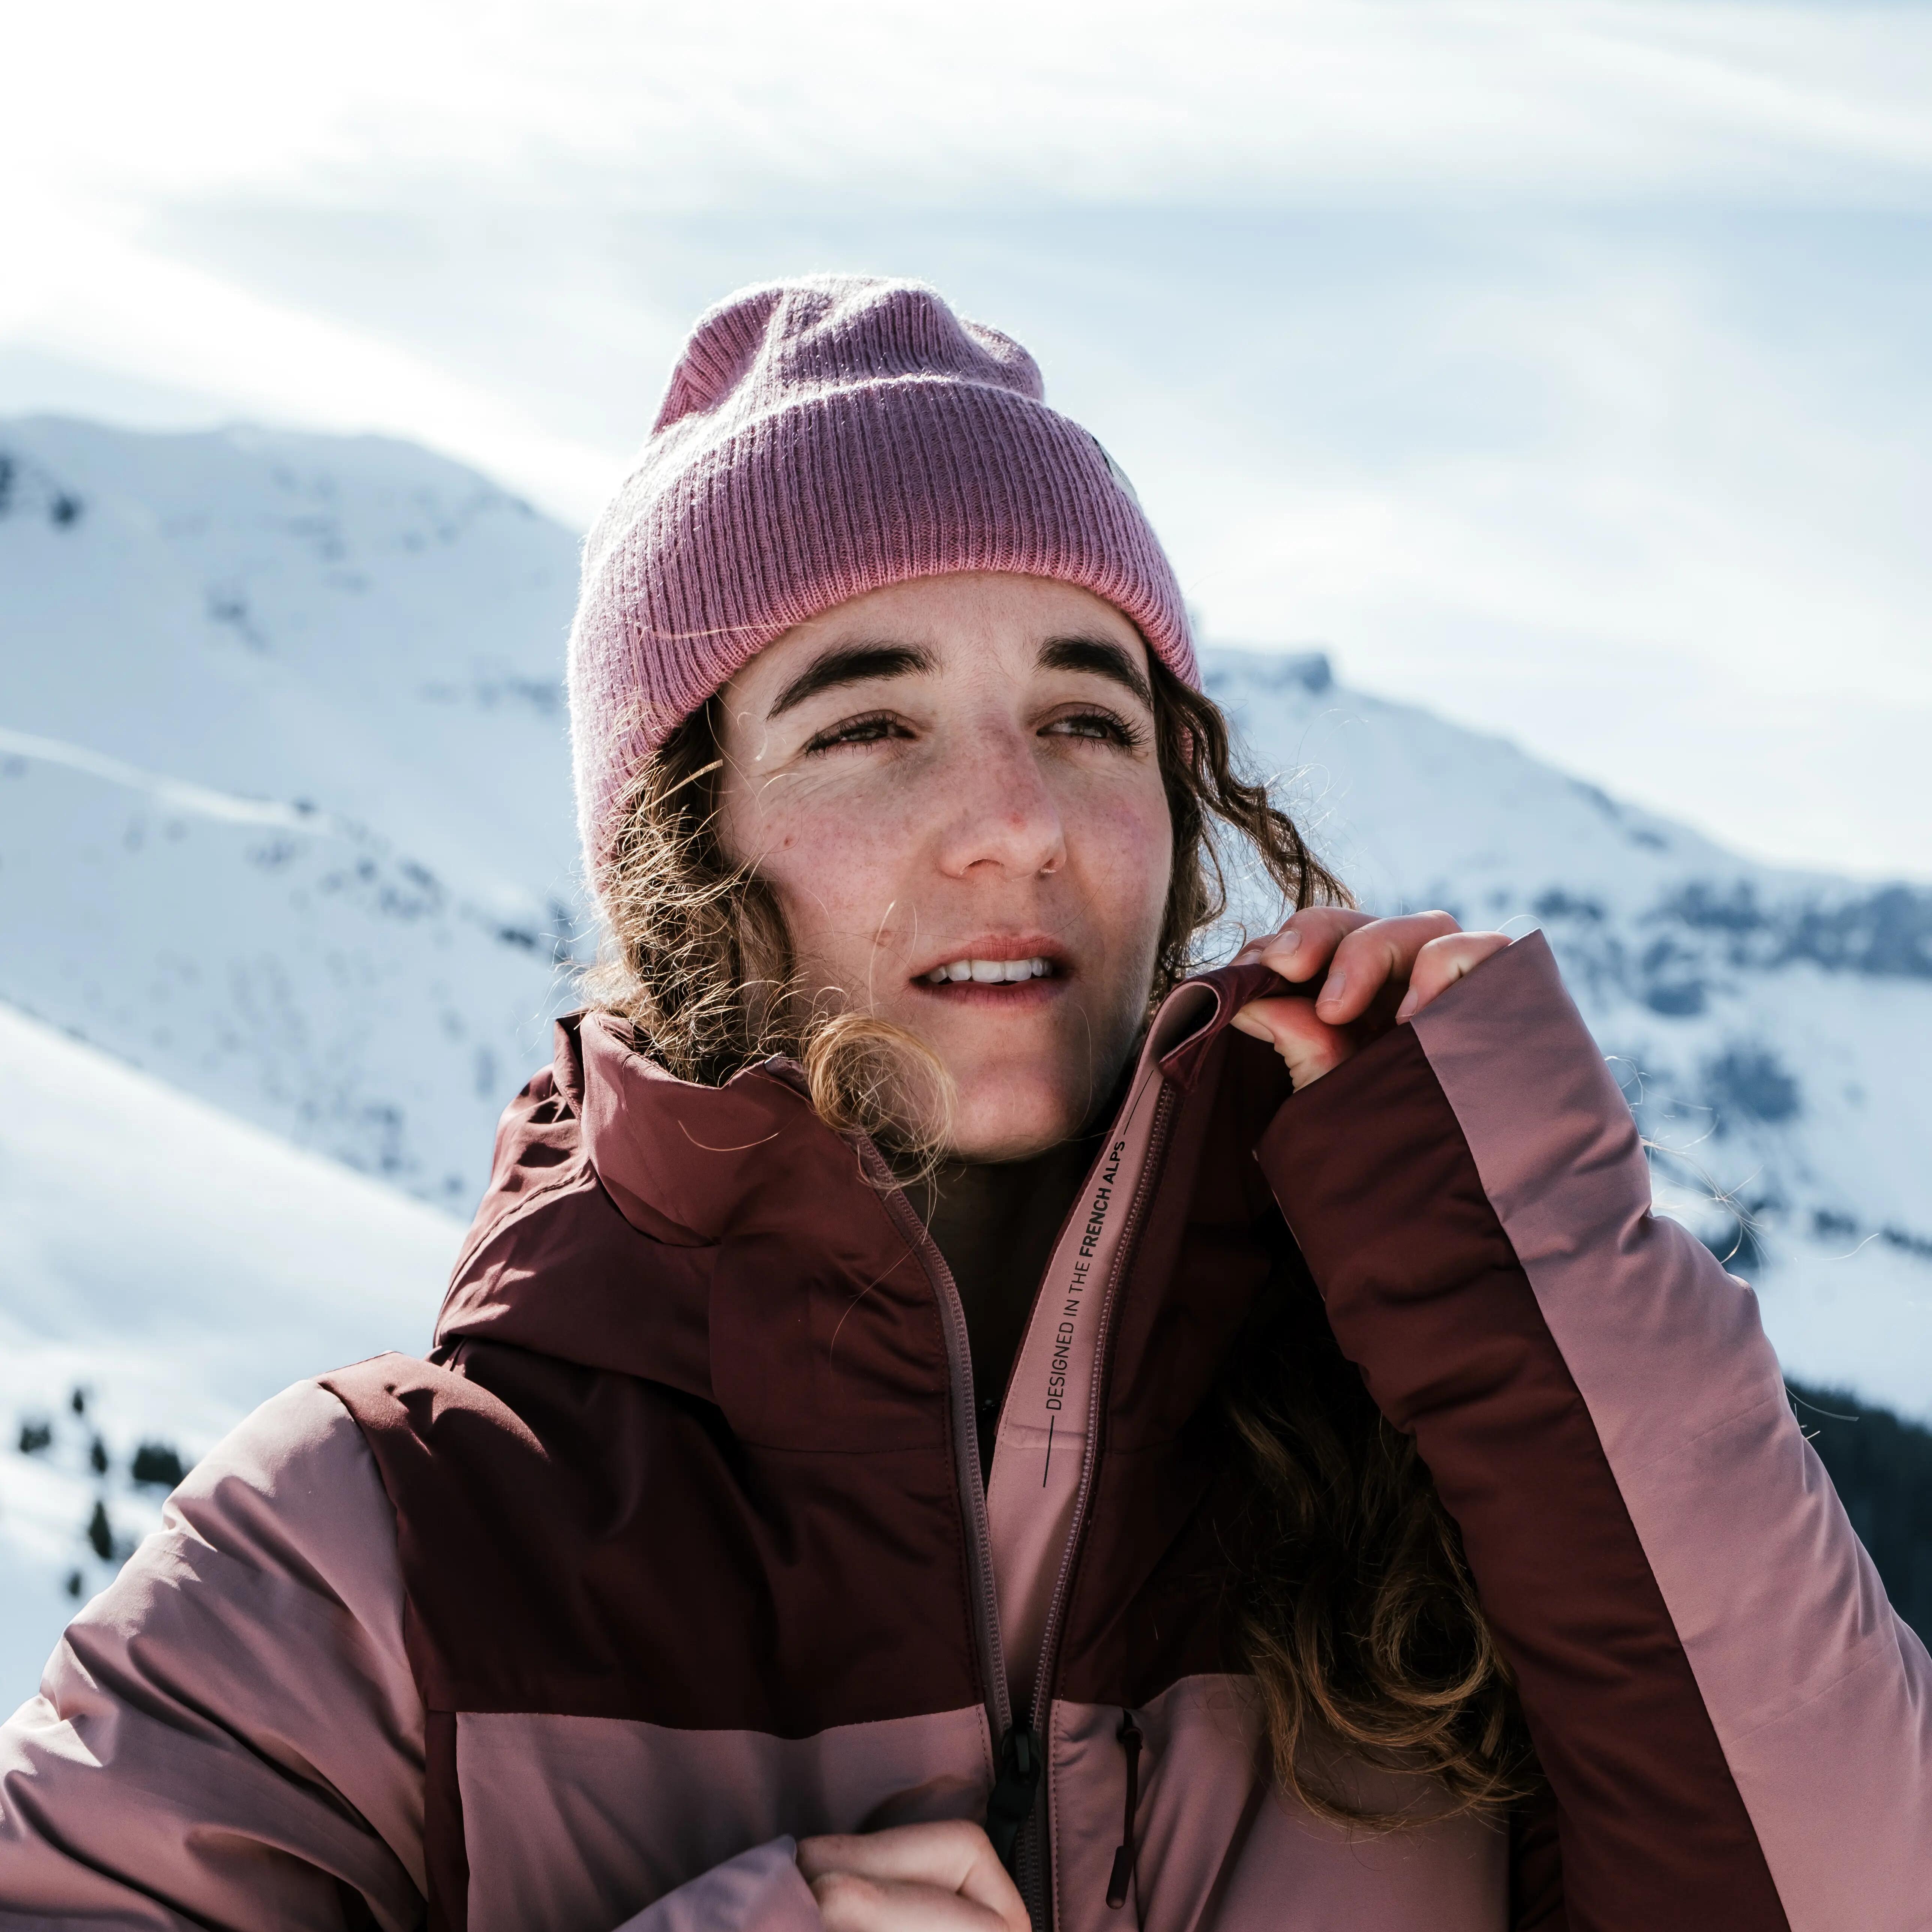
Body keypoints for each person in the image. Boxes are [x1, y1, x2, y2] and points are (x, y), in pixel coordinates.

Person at [1, 276, 1926, 1932]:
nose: (1015, 820)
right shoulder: (368, 1552)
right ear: (682, 847)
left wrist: (1535, 1270)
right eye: (868, 724)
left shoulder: (1440, 1486)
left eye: (1088, 717)